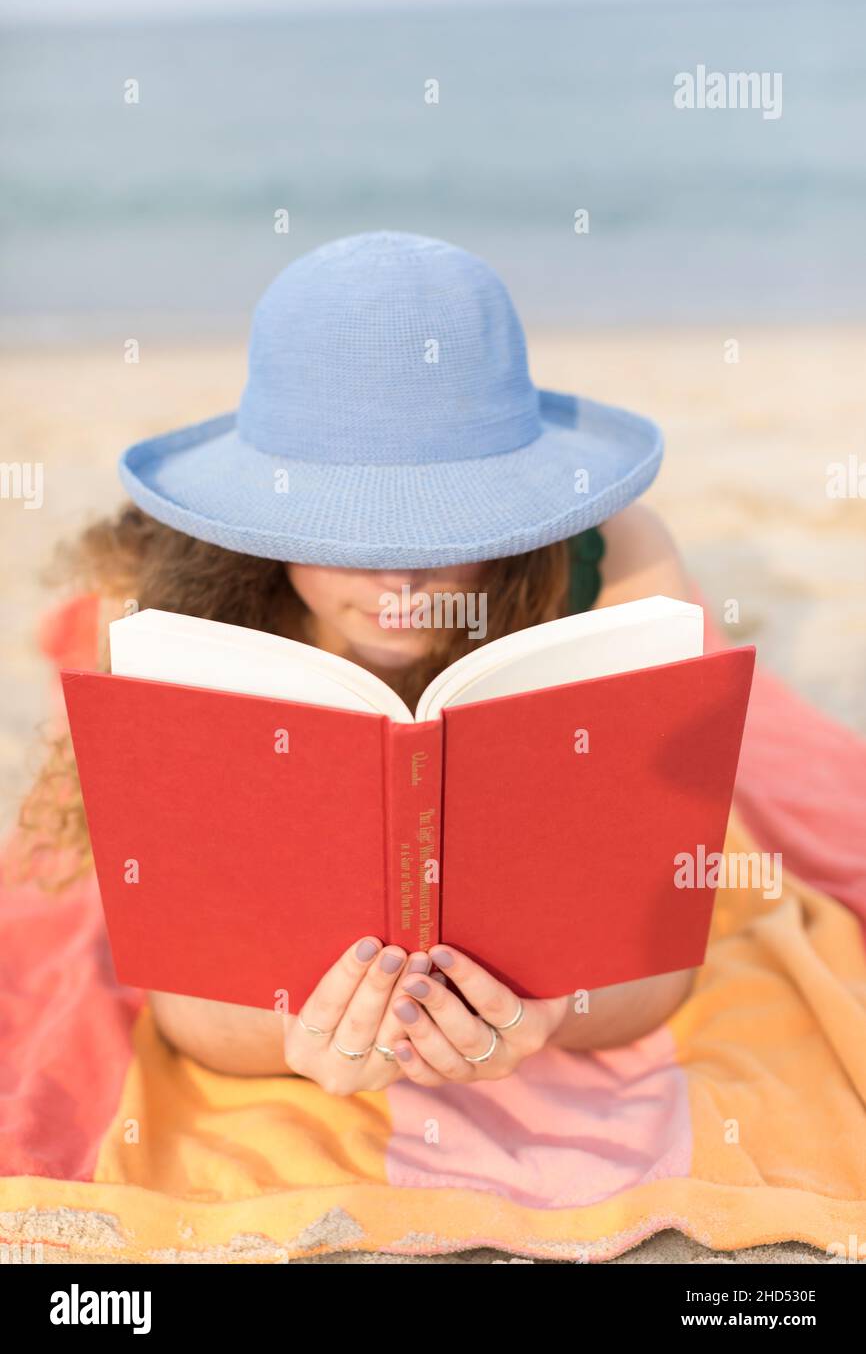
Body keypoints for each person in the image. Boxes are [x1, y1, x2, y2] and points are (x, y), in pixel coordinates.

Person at [23, 230, 698, 1094]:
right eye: (347, 532)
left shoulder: (621, 561)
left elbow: (660, 955)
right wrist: (289, 1039)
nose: (401, 579)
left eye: (452, 528)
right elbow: (182, 999)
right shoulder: (189, 629)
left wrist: (561, 1010)